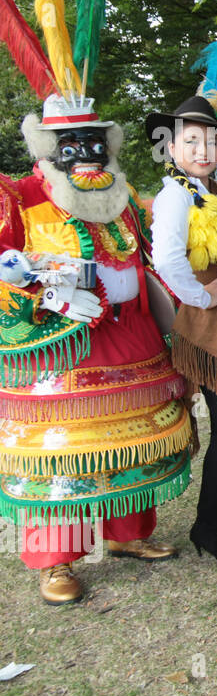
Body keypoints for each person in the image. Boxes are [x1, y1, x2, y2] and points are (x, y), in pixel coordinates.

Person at [0, 90, 193, 603]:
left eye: (93, 141)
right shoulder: (19, 196)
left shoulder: (122, 196)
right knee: (66, 450)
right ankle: (56, 560)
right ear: (47, 149)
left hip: (134, 336)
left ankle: (126, 534)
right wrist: (49, 293)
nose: (85, 152)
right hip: (63, 347)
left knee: (132, 434)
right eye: (70, 144)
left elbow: (145, 259)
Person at [148, 95, 217, 561]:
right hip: (211, 325)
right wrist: (201, 296)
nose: (202, 149)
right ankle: (210, 528)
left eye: (211, 140)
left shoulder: (216, 191)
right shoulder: (176, 194)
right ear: (172, 149)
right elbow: (167, 258)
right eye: (191, 141)